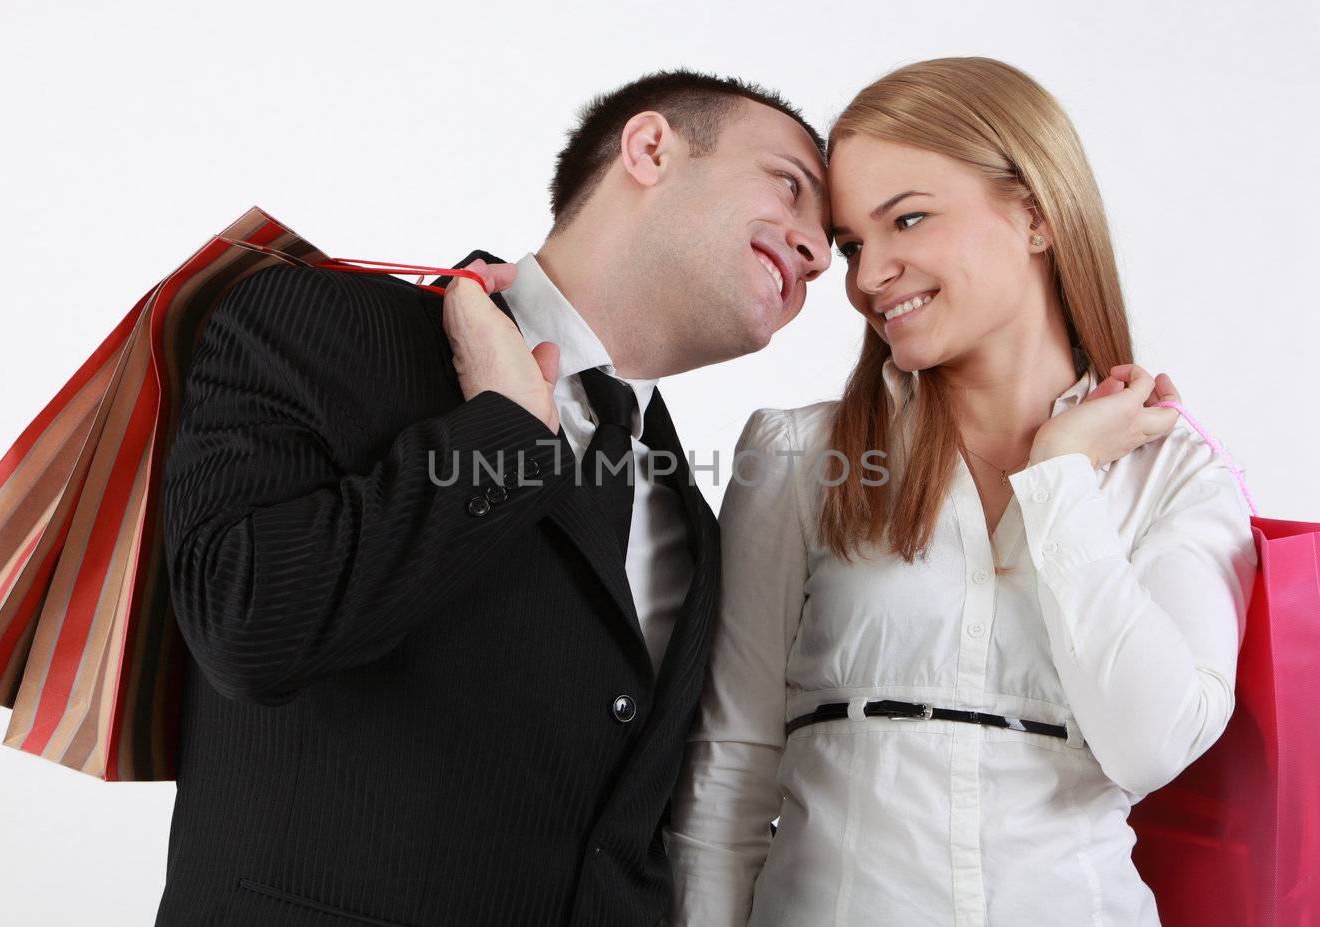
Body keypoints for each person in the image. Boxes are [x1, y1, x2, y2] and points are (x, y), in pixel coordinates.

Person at [154, 71, 831, 926]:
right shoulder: (319, 321)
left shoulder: (692, 516)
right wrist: (505, 434)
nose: (815, 249)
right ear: (650, 148)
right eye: (789, 185)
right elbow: (248, 626)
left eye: (829, 244)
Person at [667, 57, 1259, 926]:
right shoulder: (800, 455)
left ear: (1035, 214)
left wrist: (1059, 481)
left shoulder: (1173, 474)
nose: (869, 279)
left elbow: (1152, 744)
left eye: (907, 219)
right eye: (856, 244)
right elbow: (730, 770)